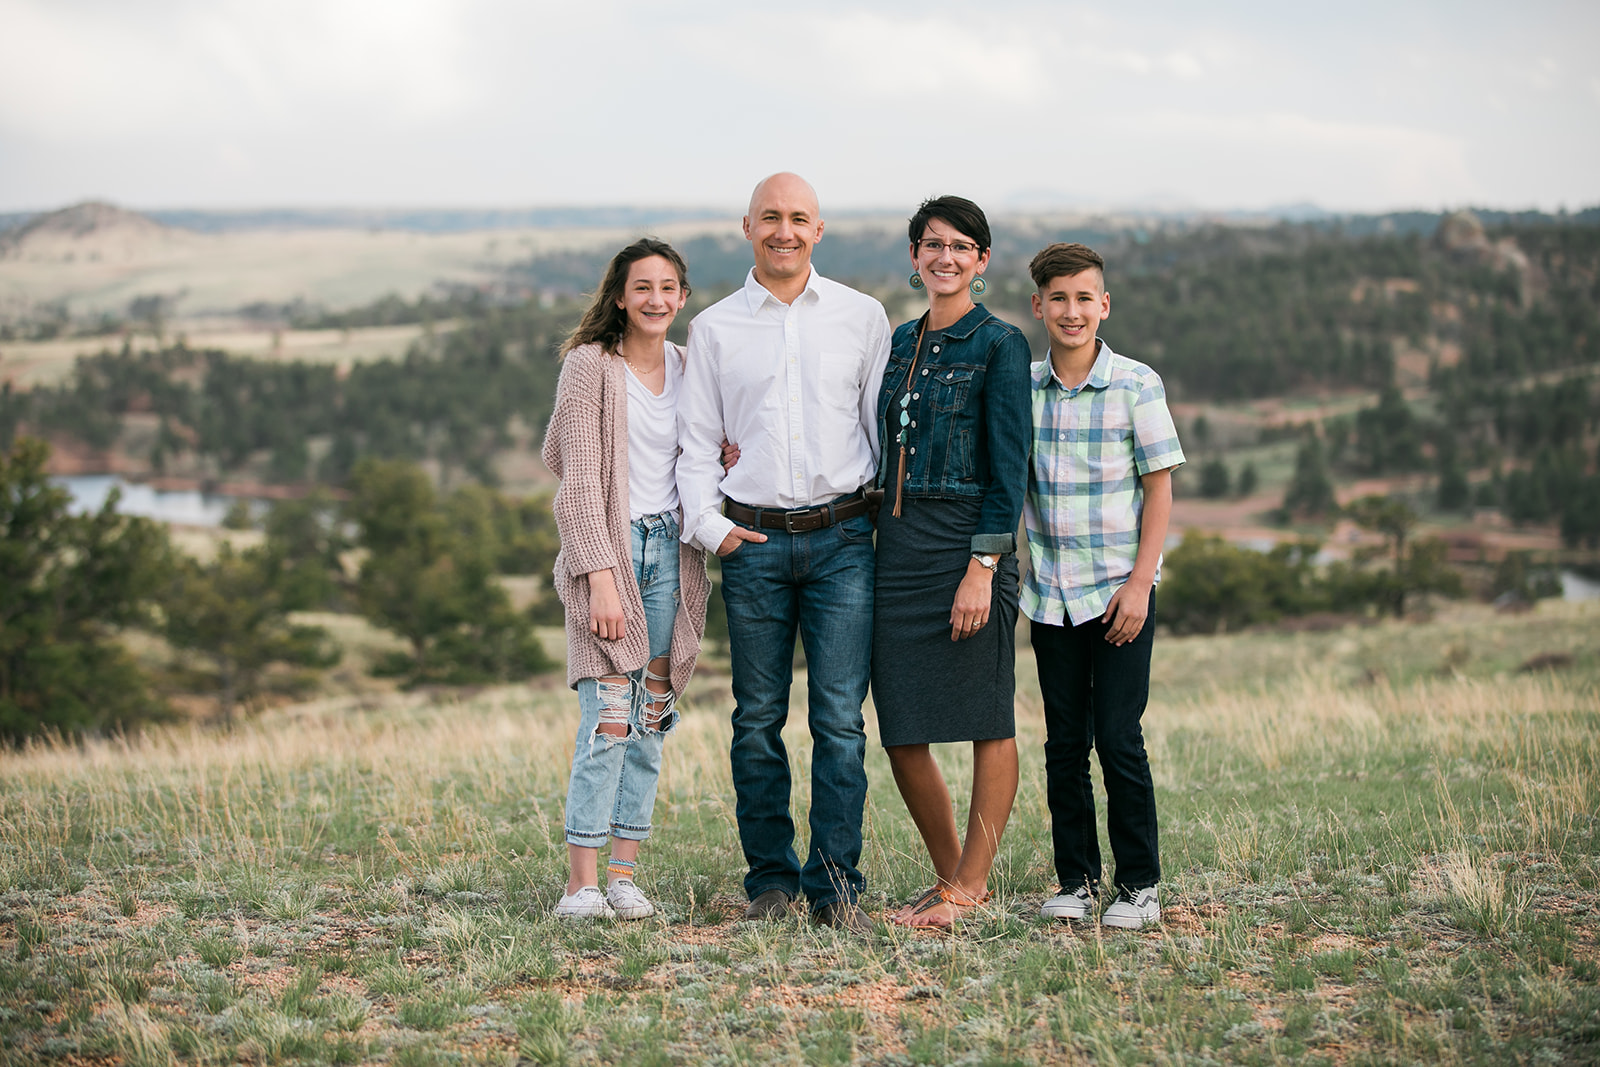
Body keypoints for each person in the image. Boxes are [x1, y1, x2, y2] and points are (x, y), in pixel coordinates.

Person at [677, 173, 891, 934]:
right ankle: (770, 884)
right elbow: (695, 444)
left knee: (839, 720)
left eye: (799, 218)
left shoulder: (864, 318)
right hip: (755, 543)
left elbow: (880, 431)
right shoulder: (715, 328)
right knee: (756, 719)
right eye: (771, 217)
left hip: (843, 542)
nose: (785, 230)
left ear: (820, 229)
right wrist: (712, 529)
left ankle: (836, 890)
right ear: (747, 227)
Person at [871, 196, 1031, 929]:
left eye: (961, 246)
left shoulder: (1000, 344)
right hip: (897, 547)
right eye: (931, 244)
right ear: (914, 256)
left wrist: (983, 565)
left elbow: (1011, 467)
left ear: (982, 260)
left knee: (986, 717)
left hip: (969, 542)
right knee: (902, 724)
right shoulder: (900, 341)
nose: (945, 257)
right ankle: (946, 877)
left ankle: (972, 883)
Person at [541, 238, 711, 920]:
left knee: (650, 719)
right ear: (620, 295)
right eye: (643, 287)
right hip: (612, 553)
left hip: (673, 554)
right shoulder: (590, 367)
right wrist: (600, 579)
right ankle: (580, 885)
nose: (656, 299)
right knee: (607, 718)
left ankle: (623, 875)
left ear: (683, 296)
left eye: (669, 287)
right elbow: (577, 482)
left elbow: (706, 455)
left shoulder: (692, 367)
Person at [1023, 242, 1185, 930]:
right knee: (1064, 742)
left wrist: (1142, 583)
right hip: (1051, 597)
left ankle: (1139, 884)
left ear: (1104, 305)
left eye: (1084, 297)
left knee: (1118, 736)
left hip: (1119, 595)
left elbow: (1159, 488)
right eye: (1058, 298)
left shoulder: (1135, 384)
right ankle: (1078, 879)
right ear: (1038, 306)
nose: (1071, 310)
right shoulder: (1022, 388)